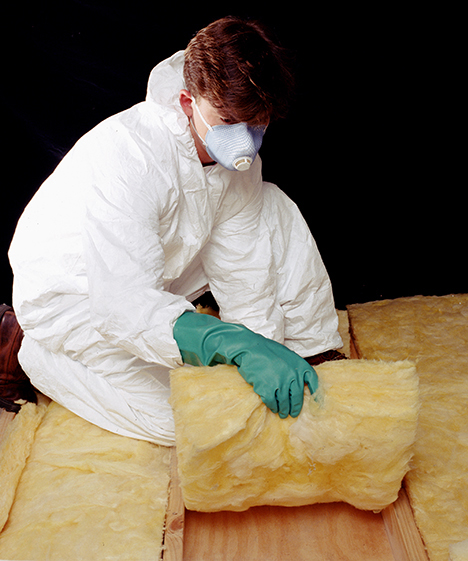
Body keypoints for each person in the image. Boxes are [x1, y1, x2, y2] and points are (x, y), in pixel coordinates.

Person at [8, 16, 343, 445]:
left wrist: (262, 352)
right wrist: (232, 344)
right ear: (188, 102)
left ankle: (315, 352)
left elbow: (244, 263)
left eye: (256, 124)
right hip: (78, 299)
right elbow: (123, 304)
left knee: (270, 204)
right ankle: (28, 350)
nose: (245, 141)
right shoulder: (128, 155)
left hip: (158, 273)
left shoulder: (239, 162)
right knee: (186, 422)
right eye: (228, 121)